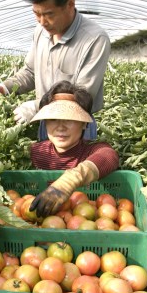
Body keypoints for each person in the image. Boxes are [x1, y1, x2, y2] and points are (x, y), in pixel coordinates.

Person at [0, 0, 111, 140]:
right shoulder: (40, 32)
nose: (42, 22)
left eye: (48, 14)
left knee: (78, 167)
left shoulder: (95, 39)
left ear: (70, 4)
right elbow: (30, 72)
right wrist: (5, 88)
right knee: (46, 165)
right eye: (36, 14)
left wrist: (35, 106)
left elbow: (83, 96)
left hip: (77, 128)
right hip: (45, 121)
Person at [28, 80, 119, 217]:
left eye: (69, 119)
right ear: (45, 123)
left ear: (84, 124)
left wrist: (69, 181)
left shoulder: (91, 150)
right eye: (53, 119)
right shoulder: (36, 152)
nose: (60, 127)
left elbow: (109, 155)